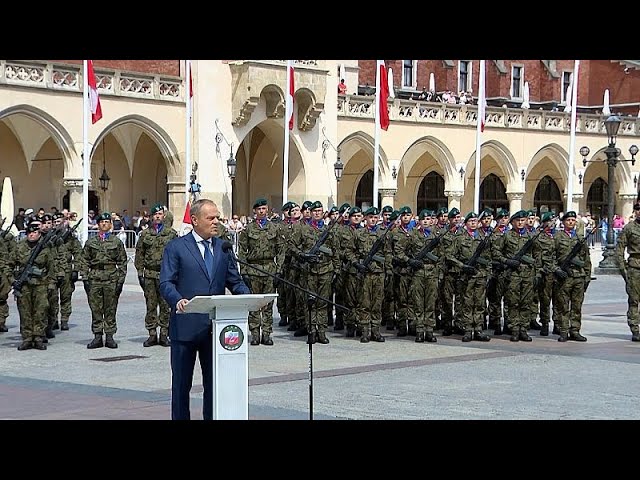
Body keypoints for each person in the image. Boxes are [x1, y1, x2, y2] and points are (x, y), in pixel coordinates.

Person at [159, 198, 250, 421]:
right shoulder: (176, 247)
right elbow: (166, 283)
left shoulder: (223, 248)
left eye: (217, 217)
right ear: (195, 220)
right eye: (211, 218)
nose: (216, 221)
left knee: (213, 386)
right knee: (182, 386)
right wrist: (177, 299)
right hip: (186, 327)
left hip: (215, 330)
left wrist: (248, 297)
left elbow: (234, 281)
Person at [80, 212, 128, 349]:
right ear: (98, 224)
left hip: (111, 278)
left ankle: (110, 336)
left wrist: (120, 280)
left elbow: (122, 262)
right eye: (102, 222)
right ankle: (97, 336)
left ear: (111, 225)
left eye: (107, 222)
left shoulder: (116, 242)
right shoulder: (91, 242)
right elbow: (84, 261)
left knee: (110, 308)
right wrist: (85, 278)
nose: (104, 224)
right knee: (95, 308)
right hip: (95, 278)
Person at [237, 198, 280, 346]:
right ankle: (255, 333)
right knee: (254, 304)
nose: (261, 211)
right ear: (254, 211)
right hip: (253, 269)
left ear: (267, 210)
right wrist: (244, 271)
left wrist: (278, 270)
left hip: (269, 269)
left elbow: (281, 250)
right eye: (259, 209)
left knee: (268, 304)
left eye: (264, 208)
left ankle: (267, 334)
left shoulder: (274, 228)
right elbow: (242, 251)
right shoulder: (248, 229)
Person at [135, 203, 178, 347]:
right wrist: (140, 272)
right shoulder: (145, 234)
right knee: (151, 305)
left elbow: (177, 255)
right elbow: (139, 254)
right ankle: (152, 334)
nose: (157, 216)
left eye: (160, 214)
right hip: (149, 274)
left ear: (164, 216)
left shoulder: (171, 234)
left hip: (166, 275)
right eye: (155, 214)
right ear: (151, 217)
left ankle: (164, 334)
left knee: (165, 305)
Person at [615, 204, 640, 342]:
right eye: (638, 209)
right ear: (635, 211)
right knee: (634, 300)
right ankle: (635, 329)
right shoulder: (629, 228)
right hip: (635, 267)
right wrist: (623, 269)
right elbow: (619, 249)